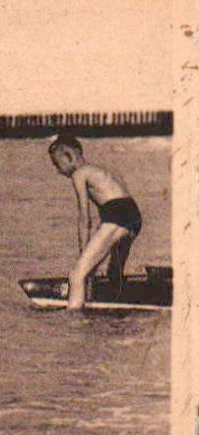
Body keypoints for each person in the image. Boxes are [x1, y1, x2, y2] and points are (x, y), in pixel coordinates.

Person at [48, 133, 142, 310]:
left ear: (69, 156)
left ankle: (75, 323)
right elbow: (114, 203)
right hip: (134, 217)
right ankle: (119, 309)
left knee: (77, 276)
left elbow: (85, 218)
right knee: (113, 273)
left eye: (56, 163)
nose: (57, 170)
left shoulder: (79, 174)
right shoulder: (102, 170)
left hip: (117, 217)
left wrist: (84, 257)